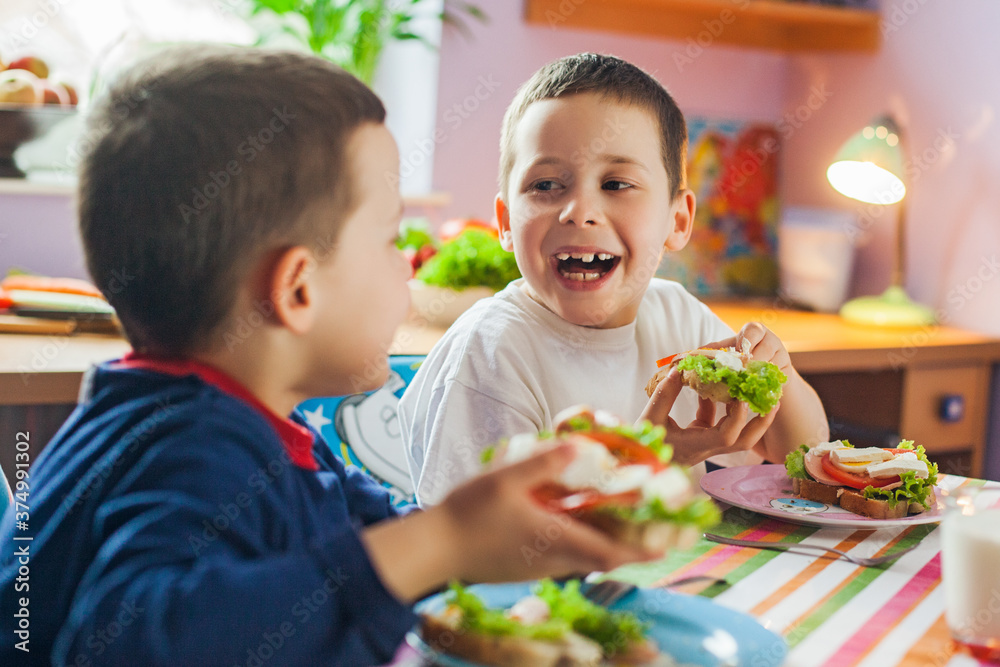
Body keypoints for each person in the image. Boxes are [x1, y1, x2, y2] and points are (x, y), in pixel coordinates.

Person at [0, 46, 656, 666]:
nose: (407, 265)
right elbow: (135, 640)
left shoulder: (266, 428)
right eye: (390, 239)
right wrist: (444, 538)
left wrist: (534, 527)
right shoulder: (189, 447)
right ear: (297, 289)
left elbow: (385, 548)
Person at [400, 53, 829, 505]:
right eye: (546, 185)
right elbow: (482, 547)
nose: (579, 212)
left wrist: (779, 375)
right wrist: (649, 457)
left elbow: (799, 454)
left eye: (616, 184)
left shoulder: (678, 317)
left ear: (678, 221)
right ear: (506, 223)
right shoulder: (492, 353)